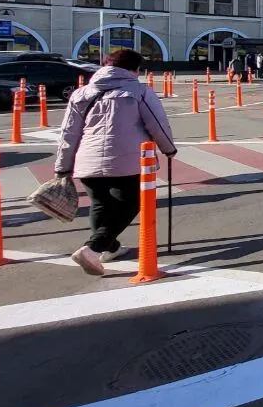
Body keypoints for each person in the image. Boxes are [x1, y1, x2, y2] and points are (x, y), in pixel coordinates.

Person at [56, 49, 177, 276]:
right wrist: (168, 149)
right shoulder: (139, 91)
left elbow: (68, 133)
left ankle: (110, 248)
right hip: (128, 159)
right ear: (135, 69)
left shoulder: (81, 93)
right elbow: (158, 125)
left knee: (100, 204)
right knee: (130, 203)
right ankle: (93, 248)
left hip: (87, 160)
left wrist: (62, 166)